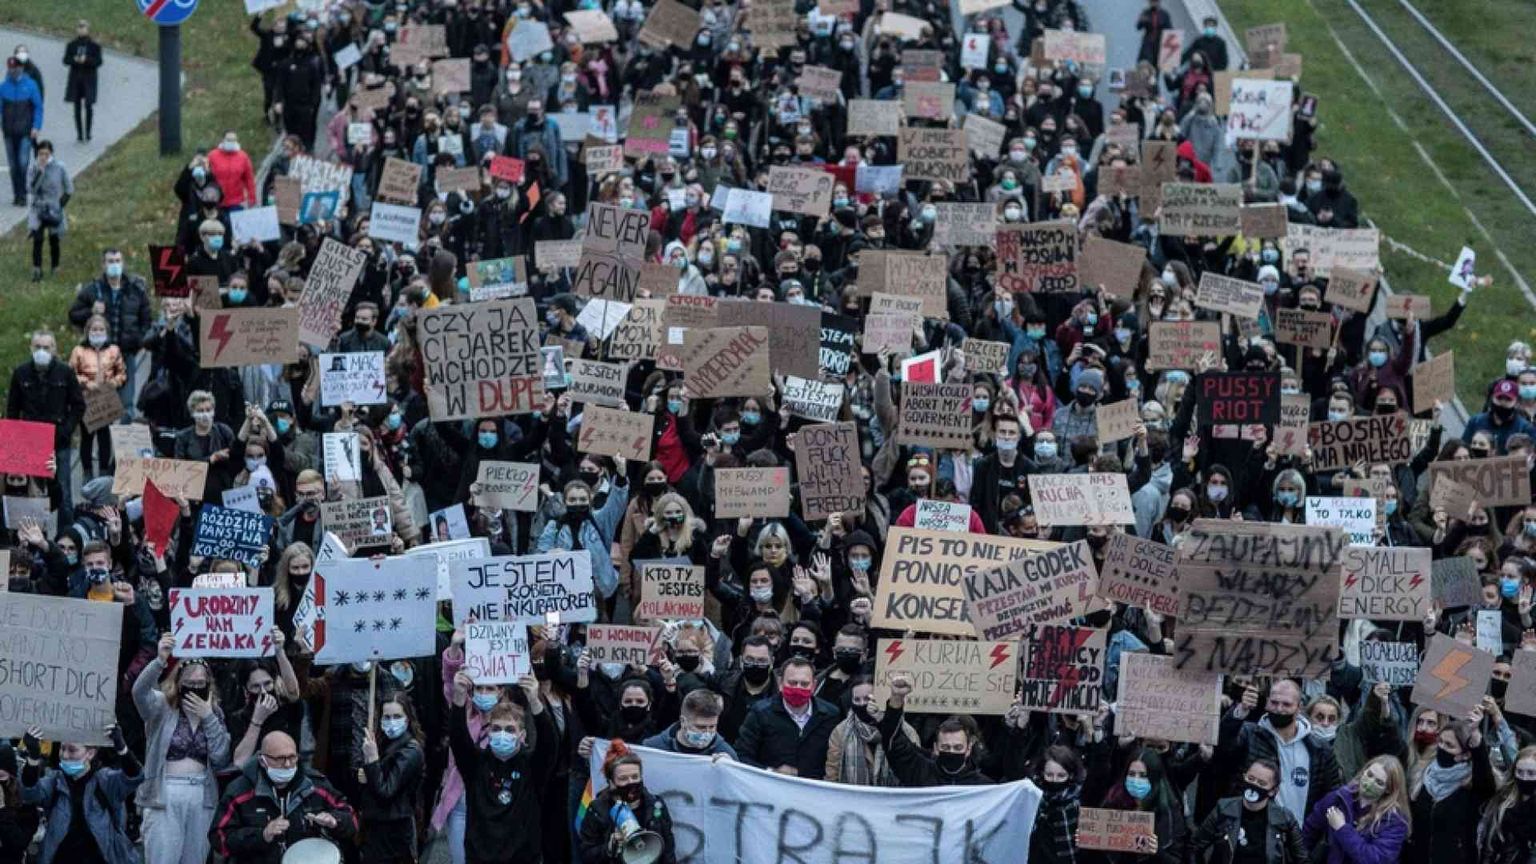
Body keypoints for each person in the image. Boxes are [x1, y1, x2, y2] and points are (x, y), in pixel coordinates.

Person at [133, 633, 233, 864]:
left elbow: (220, 757)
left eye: (201, 684)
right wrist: (159, 661)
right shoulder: (161, 705)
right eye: (190, 683)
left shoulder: (215, 712)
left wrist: (208, 717)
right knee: (162, 856)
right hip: (164, 792)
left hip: (201, 793)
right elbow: (138, 693)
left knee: (194, 859)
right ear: (178, 682)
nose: (195, 687)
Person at [447, 670, 556, 863]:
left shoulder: (532, 766)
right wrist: (459, 696)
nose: (502, 734)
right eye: (496, 729)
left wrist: (534, 700)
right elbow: (457, 736)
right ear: (488, 733)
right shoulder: (475, 764)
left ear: (522, 736)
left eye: (509, 729)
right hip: (480, 857)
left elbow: (550, 742)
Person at [210, 731, 359, 864]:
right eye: (280, 759)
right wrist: (262, 835)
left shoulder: (315, 785)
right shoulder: (239, 791)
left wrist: (335, 821)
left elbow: (352, 819)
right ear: (262, 760)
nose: (287, 764)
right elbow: (219, 838)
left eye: (292, 757)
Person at [18, 723, 142, 864]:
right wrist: (33, 759)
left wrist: (122, 749)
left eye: (72, 750)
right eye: (62, 749)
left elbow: (134, 777)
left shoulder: (105, 781)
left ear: (90, 753)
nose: (65, 755)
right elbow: (29, 793)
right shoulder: (55, 781)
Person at [7, 329, 85, 520]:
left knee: (64, 492)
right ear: (31, 348)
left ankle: (65, 540)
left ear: (54, 349)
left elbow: (78, 405)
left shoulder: (65, 372)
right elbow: (12, 409)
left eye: (46, 347)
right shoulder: (21, 373)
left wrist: (66, 430)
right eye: (38, 346)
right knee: (31, 491)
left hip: (59, 442)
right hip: (29, 441)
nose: (42, 350)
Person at [735, 657, 840, 778]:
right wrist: (771, 772)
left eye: (804, 684)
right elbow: (742, 754)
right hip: (770, 786)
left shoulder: (830, 715)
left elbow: (834, 760)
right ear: (780, 683)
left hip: (813, 789)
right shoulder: (760, 713)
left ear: (814, 685)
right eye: (792, 683)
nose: (798, 688)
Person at [1189, 758, 1305, 864]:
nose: (1254, 785)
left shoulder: (1285, 819)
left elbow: (1302, 859)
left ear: (1273, 791)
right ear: (1244, 777)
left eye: (1262, 783)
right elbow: (1194, 847)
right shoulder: (1224, 808)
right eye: (1251, 778)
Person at [576, 742, 678, 864]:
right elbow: (586, 854)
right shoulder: (597, 810)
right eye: (623, 779)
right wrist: (609, 848)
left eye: (635, 777)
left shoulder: (656, 804)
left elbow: (668, 847)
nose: (631, 782)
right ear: (611, 782)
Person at [1303, 755, 1411, 864]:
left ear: (1388, 790)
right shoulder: (1338, 798)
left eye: (1379, 782)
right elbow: (1309, 830)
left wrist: (1342, 828)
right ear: (1364, 771)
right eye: (1369, 775)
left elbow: (1374, 859)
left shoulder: (1394, 821)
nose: (1370, 783)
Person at [358, 695, 426, 864]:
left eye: (397, 716)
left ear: (408, 719)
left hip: (396, 831)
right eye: (387, 717)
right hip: (375, 827)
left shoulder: (411, 751)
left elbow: (386, 790)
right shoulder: (382, 743)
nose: (391, 721)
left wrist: (372, 762)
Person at [26, 140, 72, 281]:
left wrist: (60, 206)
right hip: (38, 208)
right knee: (38, 239)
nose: (43, 157)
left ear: (51, 154)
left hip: (54, 207)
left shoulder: (60, 167)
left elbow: (69, 189)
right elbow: (30, 189)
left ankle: (55, 267)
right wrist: (40, 172)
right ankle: (37, 269)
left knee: (54, 239)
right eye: (41, 154)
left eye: (46, 154)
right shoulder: (33, 168)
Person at [0, 56, 42, 206]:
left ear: (21, 68)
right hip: (9, 132)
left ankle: (23, 193)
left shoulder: (31, 86)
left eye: (15, 68)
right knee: (13, 165)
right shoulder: (3, 87)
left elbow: (38, 107)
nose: (13, 71)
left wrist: (36, 126)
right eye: (10, 69)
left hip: (25, 131)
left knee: (23, 162)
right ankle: (16, 194)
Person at [63, 19, 102, 142]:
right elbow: (65, 60)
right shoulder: (71, 45)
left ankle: (88, 132)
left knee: (89, 106)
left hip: (89, 80)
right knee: (77, 107)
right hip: (75, 80)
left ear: (88, 29)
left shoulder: (94, 46)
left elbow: (99, 62)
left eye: (83, 27)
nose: (81, 29)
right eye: (79, 27)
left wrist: (87, 60)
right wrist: (74, 59)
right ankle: (79, 133)